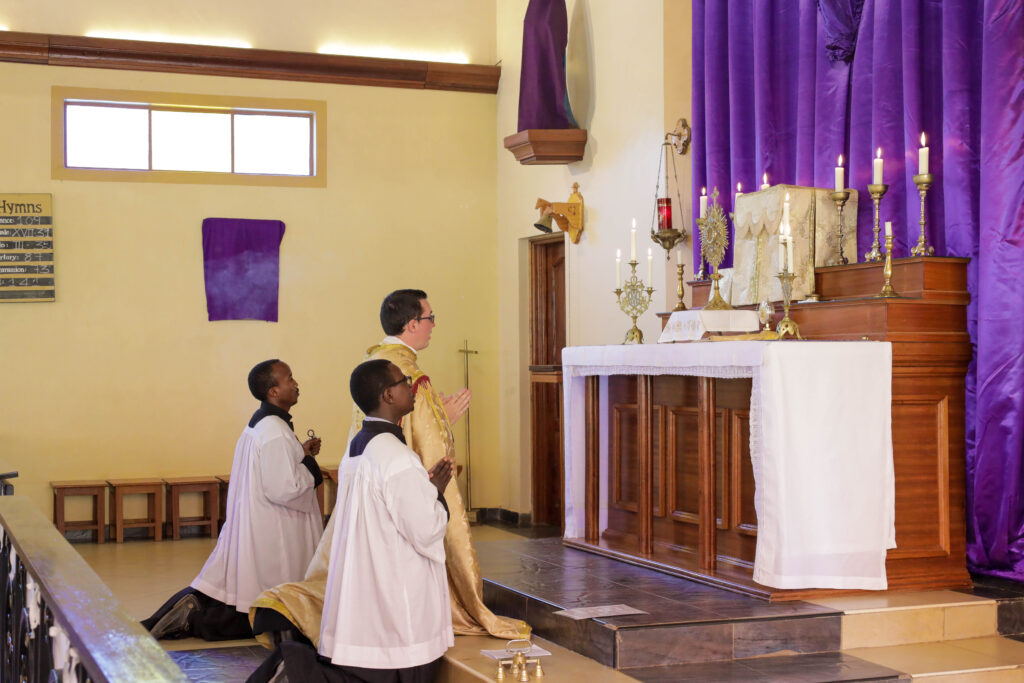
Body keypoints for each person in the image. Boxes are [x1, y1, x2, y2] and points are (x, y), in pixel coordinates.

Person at [251, 290, 527, 650]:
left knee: (355, 565)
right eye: (430, 318)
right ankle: (296, 608)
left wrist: (437, 416)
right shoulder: (407, 373)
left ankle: (295, 610)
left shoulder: (375, 360)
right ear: (412, 323)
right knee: (384, 572)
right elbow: (428, 452)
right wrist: (443, 427)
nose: (433, 326)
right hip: (397, 489)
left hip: (367, 478)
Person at [248, 360, 454, 683]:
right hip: (394, 609)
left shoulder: (358, 448)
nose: (410, 386)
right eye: (404, 381)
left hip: (366, 594)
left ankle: (295, 668)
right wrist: (437, 493)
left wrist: (424, 491)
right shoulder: (398, 457)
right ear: (388, 395)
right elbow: (426, 529)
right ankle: (297, 671)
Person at [142, 359, 324, 641]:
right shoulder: (274, 431)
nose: (296, 383)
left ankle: (187, 614)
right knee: (258, 607)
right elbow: (284, 488)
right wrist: (311, 467)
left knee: (237, 594)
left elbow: (274, 468)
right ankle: (194, 619)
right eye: (289, 379)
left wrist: (299, 452)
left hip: (258, 521)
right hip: (274, 532)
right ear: (273, 392)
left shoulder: (264, 424)